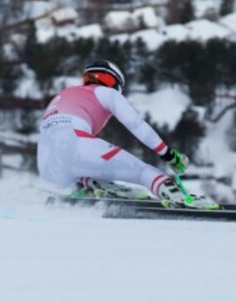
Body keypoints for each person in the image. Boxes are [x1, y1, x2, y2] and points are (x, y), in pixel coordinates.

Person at [37, 60, 219, 209]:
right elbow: (136, 124)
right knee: (145, 172)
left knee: (82, 167)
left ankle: (93, 184)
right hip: (76, 143)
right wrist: (168, 155)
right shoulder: (106, 92)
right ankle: (179, 198)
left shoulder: (63, 93)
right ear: (113, 81)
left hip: (46, 164)